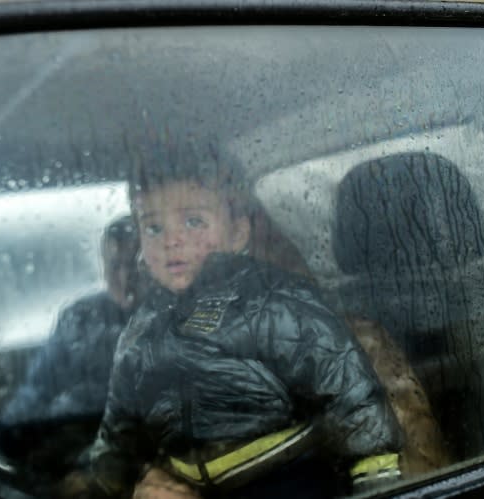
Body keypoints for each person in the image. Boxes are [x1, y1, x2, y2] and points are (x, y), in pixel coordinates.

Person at [59, 138, 404, 499]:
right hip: (190, 486)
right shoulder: (141, 330)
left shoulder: (276, 301)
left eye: (193, 221)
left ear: (238, 231)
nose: (171, 241)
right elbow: (120, 424)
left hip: (286, 476)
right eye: (154, 228)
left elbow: (347, 388)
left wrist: (375, 476)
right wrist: (120, 480)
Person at [0, 215, 143, 467]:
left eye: (134, 264)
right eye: (115, 266)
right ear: (103, 266)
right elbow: (37, 389)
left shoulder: (169, 321)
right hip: (56, 441)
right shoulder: (80, 315)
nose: (125, 277)